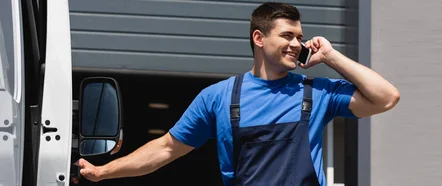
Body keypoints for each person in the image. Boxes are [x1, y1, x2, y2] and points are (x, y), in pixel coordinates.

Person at [77, 2, 400, 186]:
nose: (297, 44)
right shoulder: (218, 97)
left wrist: (331, 56)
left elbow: (386, 97)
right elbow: (165, 149)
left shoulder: (316, 92)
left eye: (300, 37)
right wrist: (103, 171)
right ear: (259, 38)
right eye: (287, 35)